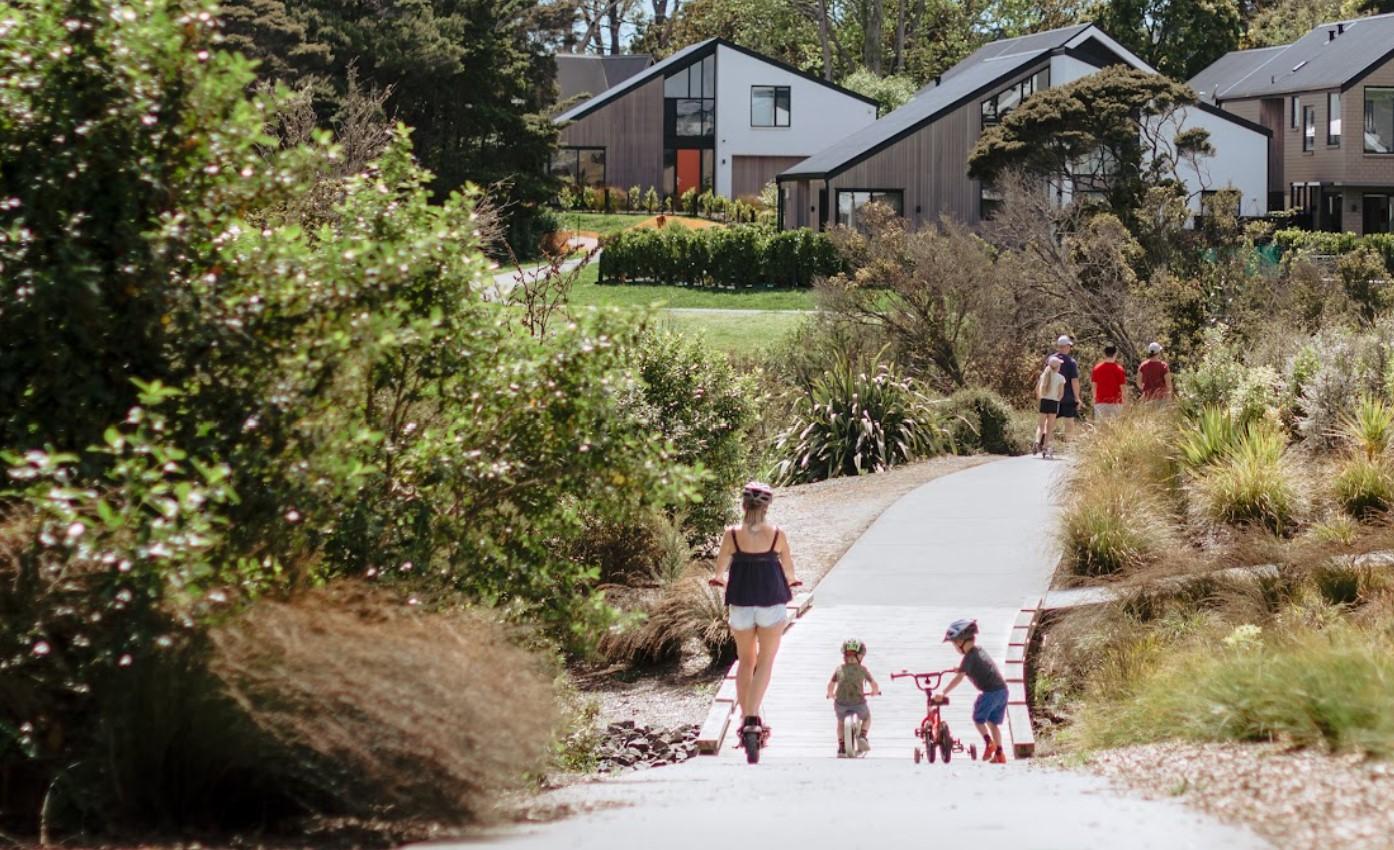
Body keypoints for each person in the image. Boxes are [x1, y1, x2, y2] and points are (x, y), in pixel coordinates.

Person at [711, 481, 798, 741]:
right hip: (771, 602)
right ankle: (752, 717)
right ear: (767, 507)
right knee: (765, 661)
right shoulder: (777, 534)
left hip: (741, 603)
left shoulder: (732, 535)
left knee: (745, 660)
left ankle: (745, 719)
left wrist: (719, 578)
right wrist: (793, 581)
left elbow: (720, 569)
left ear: (743, 504)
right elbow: (789, 569)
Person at [933, 619, 1008, 764]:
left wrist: (943, 692)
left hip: (990, 692)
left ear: (961, 641)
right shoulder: (979, 651)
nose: (955, 647)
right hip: (1002, 691)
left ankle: (989, 743)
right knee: (993, 723)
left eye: (954, 644)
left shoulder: (968, 658)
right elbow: (980, 667)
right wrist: (961, 669)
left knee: (978, 719)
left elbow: (958, 679)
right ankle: (1000, 754)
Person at [826, 638, 880, 757]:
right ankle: (862, 736)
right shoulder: (862, 669)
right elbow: (873, 684)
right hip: (858, 702)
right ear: (860, 656)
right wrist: (874, 691)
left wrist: (830, 694)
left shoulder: (839, 669)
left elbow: (831, 684)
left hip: (840, 703)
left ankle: (841, 746)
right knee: (867, 718)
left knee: (840, 722)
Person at [1035, 355, 1065, 459]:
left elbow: (1037, 390)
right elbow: (1061, 394)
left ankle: (1037, 441)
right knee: (1050, 427)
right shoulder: (1061, 378)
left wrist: (1041, 398)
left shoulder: (1044, 375)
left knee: (1041, 425)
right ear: (1057, 367)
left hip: (1044, 401)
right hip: (1053, 402)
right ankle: (1045, 447)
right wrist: (1057, 399)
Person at [1053, 335, 1082, 438]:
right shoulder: (1071, 362)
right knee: (1069, 421)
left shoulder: (1051, 360)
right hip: (1067, 397)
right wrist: (1077, 397)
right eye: (1069, 346)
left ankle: (1048, 443)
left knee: (1050, 421)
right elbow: (1074, 381)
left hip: (1052, 396)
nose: (1069, 348)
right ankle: (1069, 444)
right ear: (1065, 347)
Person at [1090, 345, 1128, 422]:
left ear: (1104, 354)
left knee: (1100, 429)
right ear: (1115, 353)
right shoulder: (1119, 369)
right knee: (1114, 429)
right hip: (1116, 403)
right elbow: (1122, 388)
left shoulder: (1097, 368)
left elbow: (1094, 386)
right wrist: (1125, 401)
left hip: (1100, 402)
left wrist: (1094, 398)